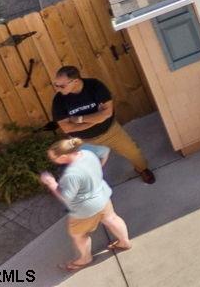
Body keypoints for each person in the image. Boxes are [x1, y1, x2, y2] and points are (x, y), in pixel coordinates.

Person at [38, 137, 132, 272]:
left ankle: (85, 259)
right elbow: (100, 163)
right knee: (112, 218)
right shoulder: (88, 154)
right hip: (102, 196)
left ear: (64, 157)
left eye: (54, 158)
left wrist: (51, 183)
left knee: (79, 235)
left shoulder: (71, 175)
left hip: (85, 209)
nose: (53, 160)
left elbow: (66, 198)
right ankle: (125, 242)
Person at [50, 66, 154, 184]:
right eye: (56, 85)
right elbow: (66, 127)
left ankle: (142, 169)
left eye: (62, 86)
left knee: (133, 152)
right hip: (83, 140)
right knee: (87, 168)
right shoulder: (58, 100)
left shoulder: (95, 86)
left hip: (110, 131)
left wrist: (79, 119)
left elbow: (107, 112)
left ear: (76, 81)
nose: (58, 89)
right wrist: (97, 118)